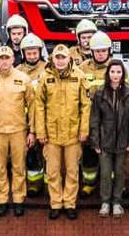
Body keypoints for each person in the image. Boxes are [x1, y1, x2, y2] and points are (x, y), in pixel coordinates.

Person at [34, 45, 91, 220]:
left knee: (72, 172)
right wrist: (40, 131)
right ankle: (56, 204)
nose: (60, 61)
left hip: (73, 134)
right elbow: (39, 106)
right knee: (52, 172)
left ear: (69, 59)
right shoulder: (45, 77)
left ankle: (70, 203)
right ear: (52, 59)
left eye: (63, 57)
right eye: (57, 58)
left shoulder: (79, 76)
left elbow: (85, 106)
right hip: (51, 134)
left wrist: (84, 130)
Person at [0, 46, 35, 216]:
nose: (4, 61)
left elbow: (32, 107)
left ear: (13, 59)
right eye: (1, 58)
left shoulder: (23, 79)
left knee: (19, 167)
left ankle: (18, 199)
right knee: (0, 167)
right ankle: (2, 200)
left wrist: (32, 131)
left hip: (19, 130)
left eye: (7, 58)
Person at [90, 59, 129, 217]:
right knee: (105, 173)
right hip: (104, 142)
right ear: (108, 73)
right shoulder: (100, 93)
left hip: (123, 142)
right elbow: (95, 119)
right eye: (112, 71)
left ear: (123, 73)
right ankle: (105, 202)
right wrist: (95, 141)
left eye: (119, 72)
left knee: (120, 173)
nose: (115, 75)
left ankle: (117, 202)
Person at [79, 31, 118, 197]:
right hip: (89, 118)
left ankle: (112, 184)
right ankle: (89, 183)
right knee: (89, 152)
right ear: (92, 51)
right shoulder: (82, 68)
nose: (100, 54)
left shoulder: (116, 68)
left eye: (103, 50)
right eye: (97, 51)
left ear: (109, 50)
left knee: (111, 154)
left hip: (110, 120)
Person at [16, 34, 51, 196]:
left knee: (49, 153)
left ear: (40, 52)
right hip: (25, 120)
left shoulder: (48, 69)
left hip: (46, 118)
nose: (31, 56)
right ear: (23, 53)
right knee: (31, 152)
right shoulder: (17, 71)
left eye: (34, 53)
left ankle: (49, 185)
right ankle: (34, 184)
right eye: (28, 53)